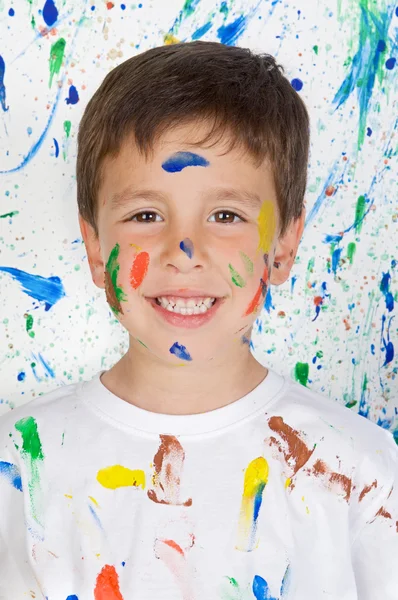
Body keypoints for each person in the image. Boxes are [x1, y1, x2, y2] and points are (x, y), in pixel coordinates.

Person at [0, 40, 397, 600]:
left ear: (284, 245)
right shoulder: (20, 462)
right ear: (94, 247)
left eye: (226, 215)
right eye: (146, 214)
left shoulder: (362, 470)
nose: (183, 249)